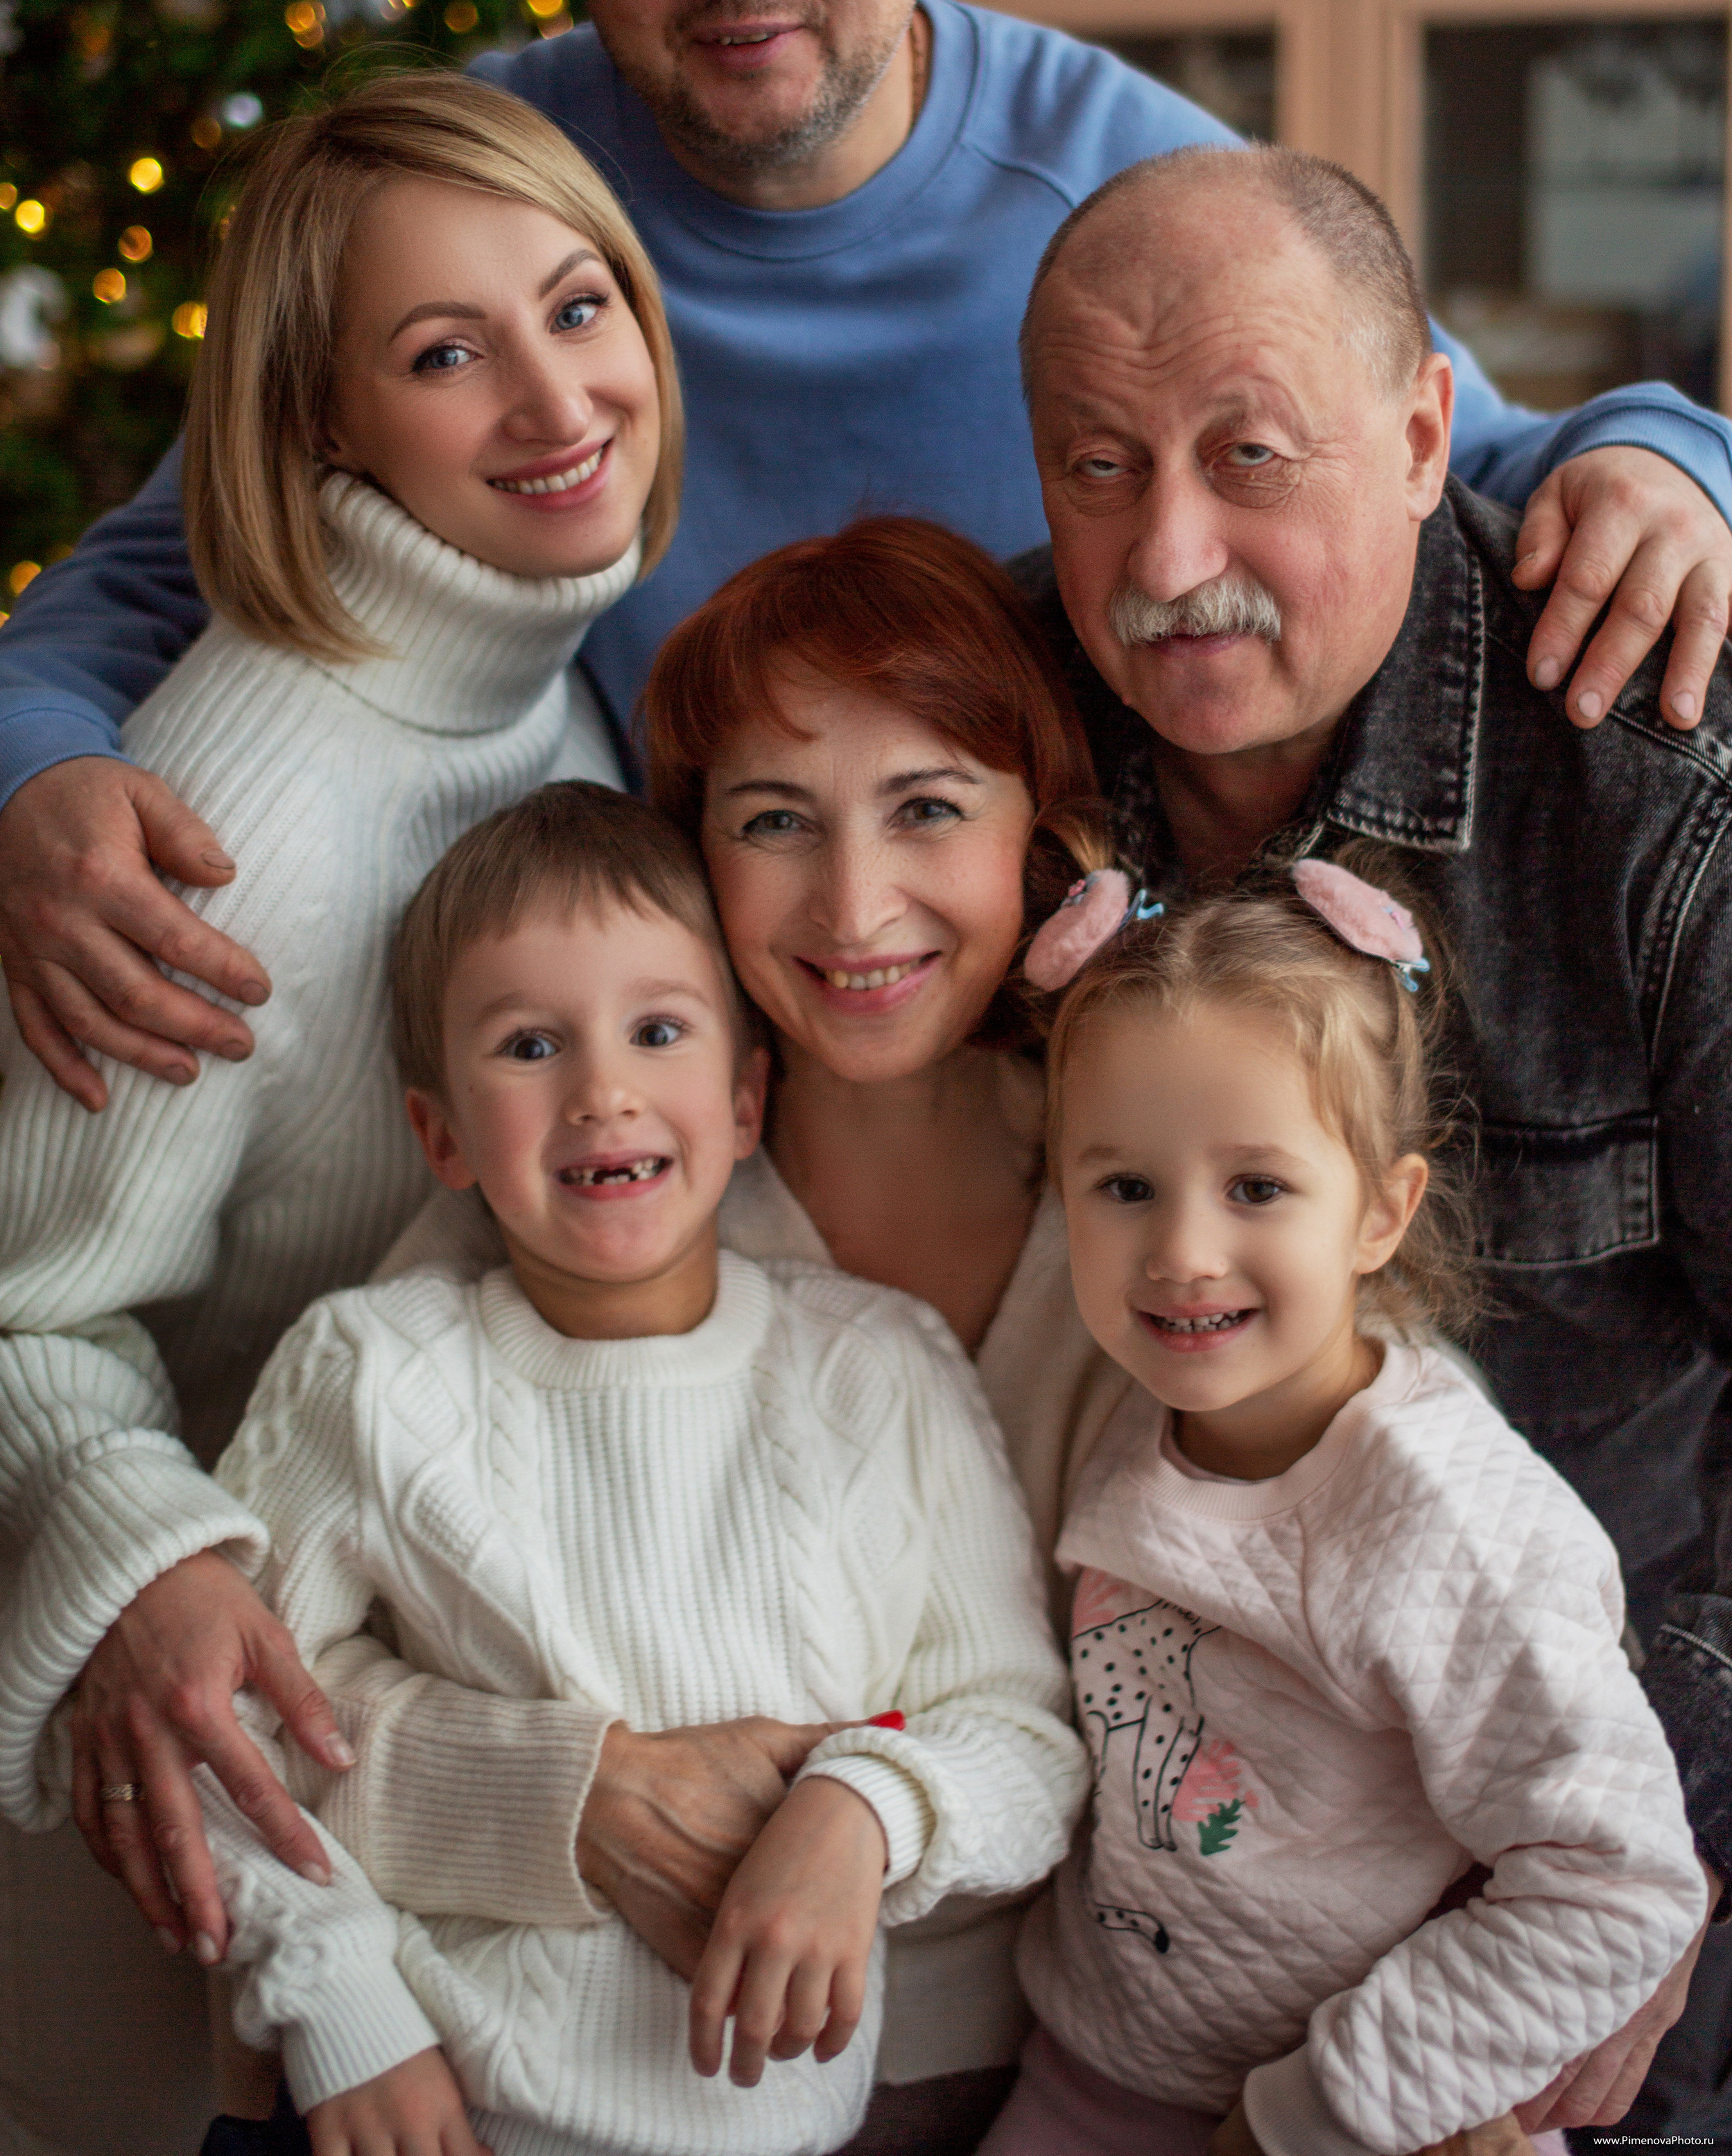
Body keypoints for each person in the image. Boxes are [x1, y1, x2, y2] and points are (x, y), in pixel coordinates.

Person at [0, 0, 1732, 1120]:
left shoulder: (1109, 184)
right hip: (632, 1059)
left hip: (1030, 1050)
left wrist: (1669, 457)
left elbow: (1449, 455)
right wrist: (23, 788)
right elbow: (167, 561)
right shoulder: (482, 202)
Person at [0, 71, 683, 2156]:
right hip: (147, 1697)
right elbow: (10, 1318)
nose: (560, 402)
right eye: (447, 354)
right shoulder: (236, 824)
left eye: (580, 309)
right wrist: (149, 1563)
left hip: (369, 1674)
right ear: (319, 429)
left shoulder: (561, 684)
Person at [1010, 139, 1732, 2141]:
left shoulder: (1660, 780)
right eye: (1093, 466)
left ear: (1426, 431)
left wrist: (1680, 1898)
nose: (1162, 560)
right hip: (1136, 1938)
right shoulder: (987, 737)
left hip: (1610, 1885)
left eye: (1253, 454)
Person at [286, 520, 1132, 2156]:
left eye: (929, 810)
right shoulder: (567, 1211)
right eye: (772, 824)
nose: (855, 901)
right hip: (532, 2076)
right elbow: (277, 1697)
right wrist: (559, 1791)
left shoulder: (1156, 1185)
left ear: (1043, 838)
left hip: (1038, 2067)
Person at [980, 860, 1703, 2156]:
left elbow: (1618, 1881)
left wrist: (1319, 2110)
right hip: (1089, 2067)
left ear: (1380, 1209)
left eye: (1257, 1187)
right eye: (1125, 1187)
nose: (1184, 1251)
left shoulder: (1447, 1520)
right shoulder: (1142, 1416)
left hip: (1352, 2119)